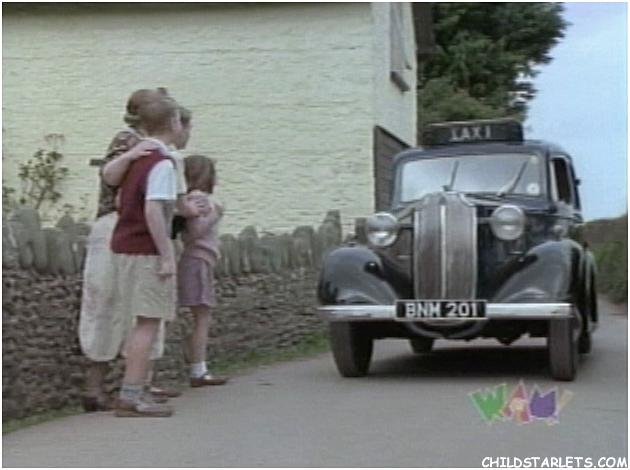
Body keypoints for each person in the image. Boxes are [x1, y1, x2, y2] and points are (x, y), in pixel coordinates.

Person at [79, 88, 167, 412]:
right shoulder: (130, 142)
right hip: (121, 226)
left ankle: (131, 384)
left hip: (126, 227)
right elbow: (117, 184)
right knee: (116, 303)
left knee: (125, 306)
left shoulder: (150, 145)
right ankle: (110, 387)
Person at [111, 94, 182, 417]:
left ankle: (134, 390)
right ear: (173, 122)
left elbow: (117, 193)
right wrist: (166, 254)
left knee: (141, 321)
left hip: (126, 246)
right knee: (148, 323)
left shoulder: (137, 158)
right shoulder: (162, 163)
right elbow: (153, 210)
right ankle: (131, 395)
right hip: (146, 250)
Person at [178, 155, 229, 387]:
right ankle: (198, 369)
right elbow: (195, 231)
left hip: (198, 259)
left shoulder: (188, 199)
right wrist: (217, 213)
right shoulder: (200, 199)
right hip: (198, 259)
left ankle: (196, 365)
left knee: (200, 315)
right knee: (202, 316)